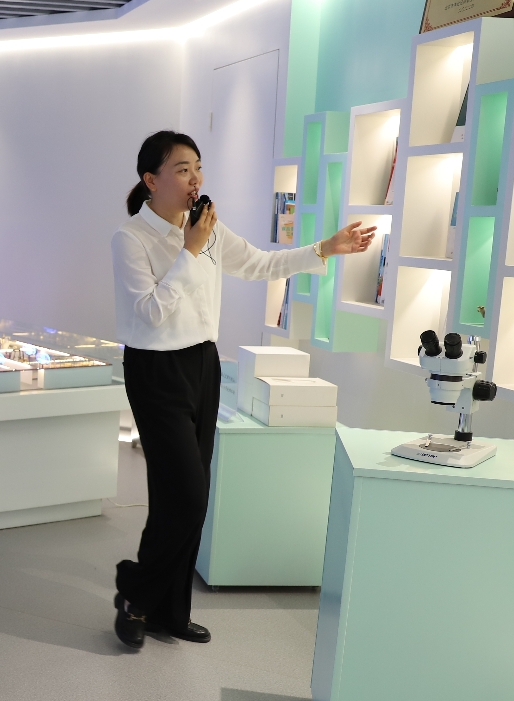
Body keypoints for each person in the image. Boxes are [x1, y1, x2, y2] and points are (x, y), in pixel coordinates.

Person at [110, 131, 375, 650]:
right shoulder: (131, 239)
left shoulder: (206, 227)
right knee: (188, 496)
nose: (195, 179)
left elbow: (259, 264)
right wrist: (190, 251)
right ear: (151, 180)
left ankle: (168, 612)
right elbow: (150, 313)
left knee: (179, 498)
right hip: (155, 370)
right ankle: (136, 593)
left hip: (202, 366)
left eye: (198, 167)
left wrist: (326, 248)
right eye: (182, 169)